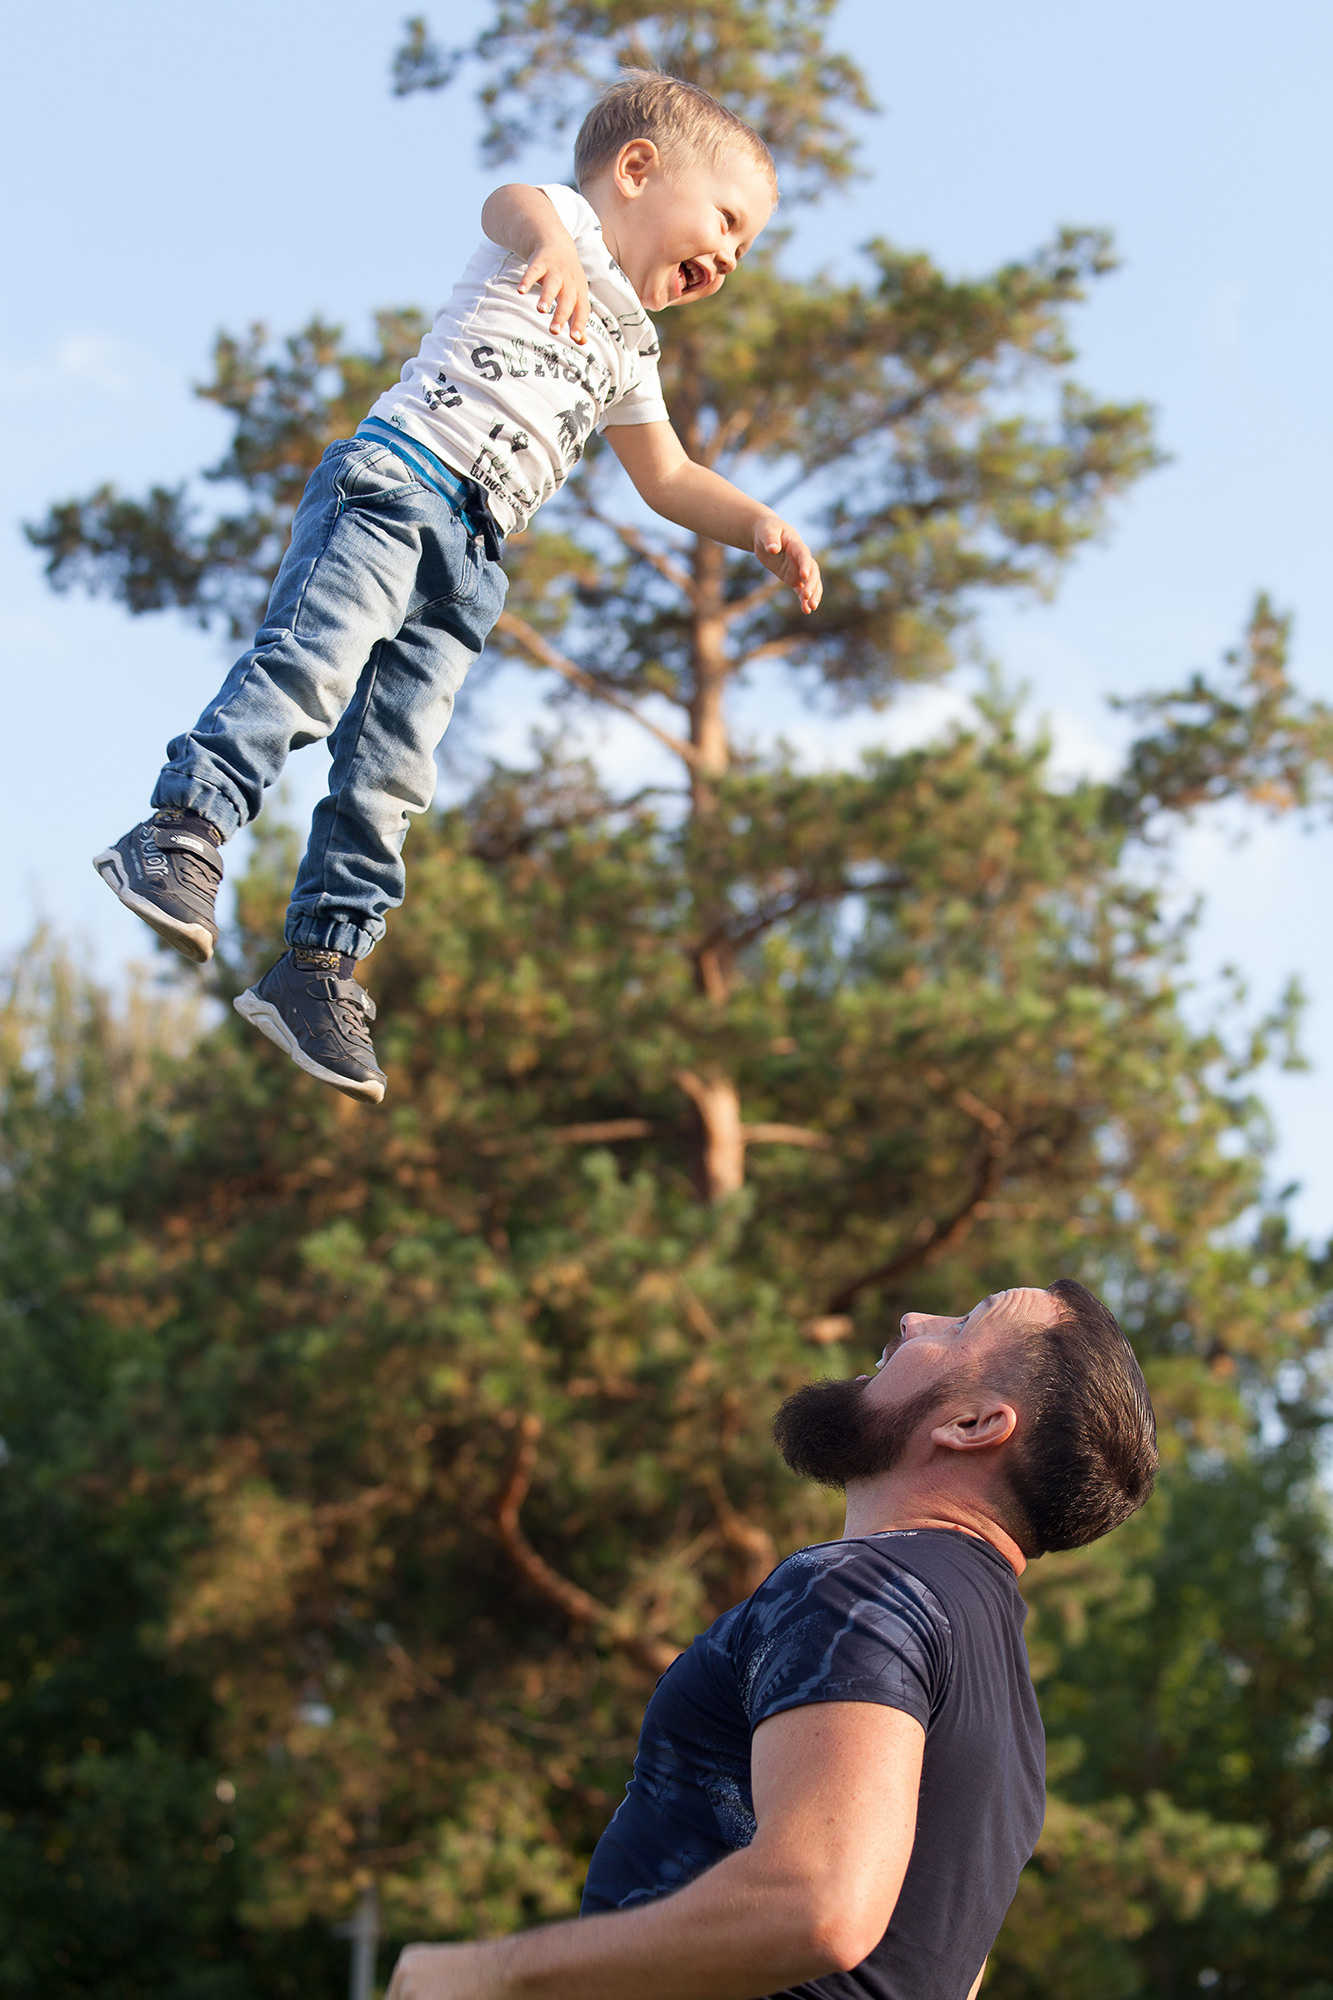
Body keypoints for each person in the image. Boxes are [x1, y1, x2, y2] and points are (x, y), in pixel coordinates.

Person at [94, 72, 820, 1105]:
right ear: (636, 170)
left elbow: (665, 477)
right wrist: (553, 246)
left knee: (392, 772)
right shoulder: (558, 221)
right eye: (728, 221)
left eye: (746, 247)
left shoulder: (631, 347)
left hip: (473, 556)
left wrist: (756, 524)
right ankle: (180, 829)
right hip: (399, 484)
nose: (732, 256)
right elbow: (508, 200)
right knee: (310, 668)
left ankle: (318, 967)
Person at [385, 1278, 1158, 2000]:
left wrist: (496, 1973)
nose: (912, 1320)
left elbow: (821, 1903)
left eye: (962, 1325)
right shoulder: (1009, 1703)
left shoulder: (860, 1589)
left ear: (972, 1425)